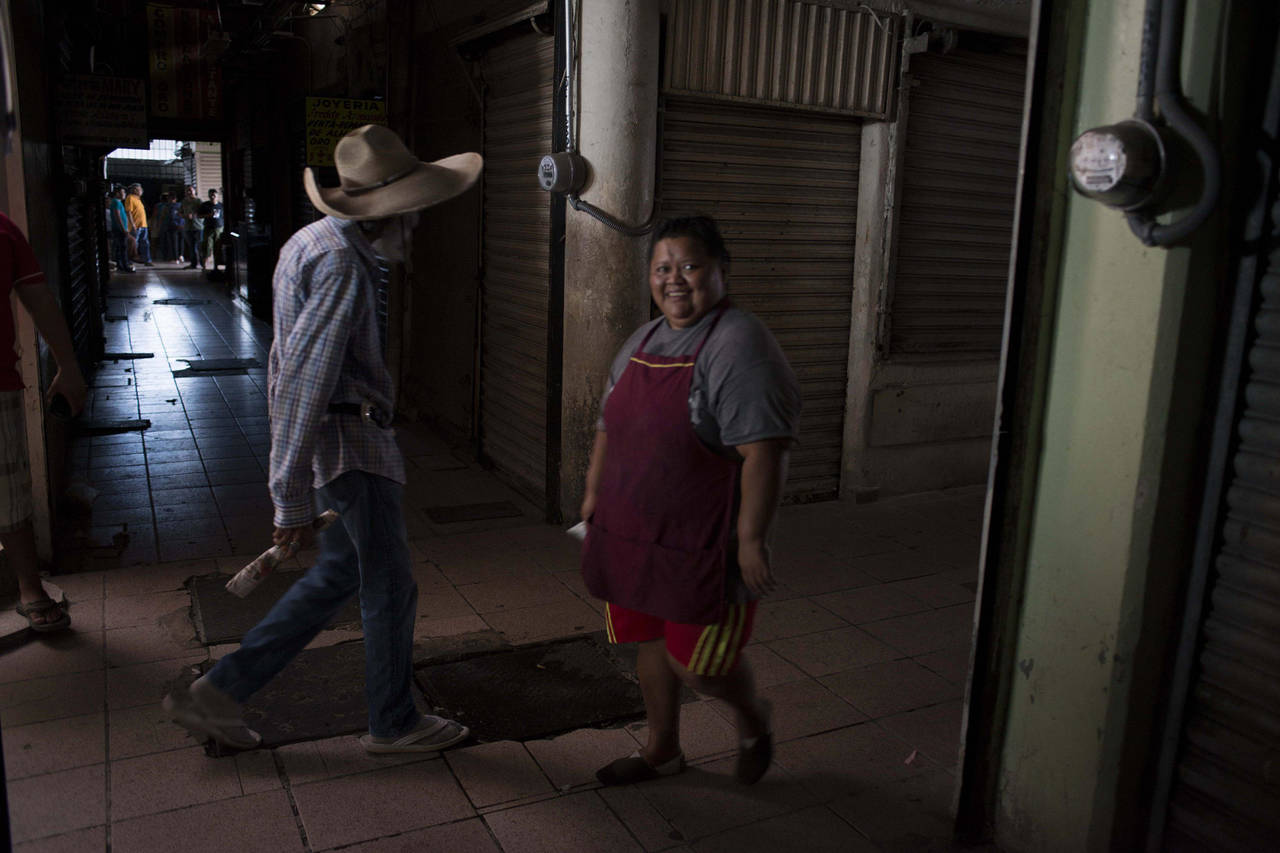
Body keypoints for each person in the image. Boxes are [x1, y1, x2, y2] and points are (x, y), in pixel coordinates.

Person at [164, 125, 483, 753]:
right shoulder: (342, 266)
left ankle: (219, 692)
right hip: (348, 447)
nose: (415, 227)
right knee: (387, 580)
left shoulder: (314, 240)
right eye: (411, 214)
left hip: (342, 442)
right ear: (385, 215)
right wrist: (289, 499)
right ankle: (392, 722)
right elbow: (302, 382)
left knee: (339, 576)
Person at [580, 215, 801, 787]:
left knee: (697, 663)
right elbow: (608, 426)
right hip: (634, 531)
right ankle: (662, 752)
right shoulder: (644, 338)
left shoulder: (740, 344)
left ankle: (754, 719)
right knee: (648, 643)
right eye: (662, 268)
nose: (674, 279)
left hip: (703, 542)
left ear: (721, 270)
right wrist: (592, 495)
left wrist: (751, 540)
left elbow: (764, 453)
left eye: (690, 266)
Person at [1, 212, 88, 631]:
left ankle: (29, 587)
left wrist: (67, 365)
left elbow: (38, 297)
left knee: (10, 494)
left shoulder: (3, 229)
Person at [124, 184, 153, 267]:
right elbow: (128, 212)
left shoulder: (138, 199)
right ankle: (128, 260)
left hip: (143, 225)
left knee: (145, 243)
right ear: (135, 190)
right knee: (133, 244)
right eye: (139, 189)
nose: (141, 191)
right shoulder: (130, 198)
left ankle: (147, 260)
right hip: (135, 226)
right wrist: (132, 224)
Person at [107, 186, 133, 273]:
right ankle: (124, 266)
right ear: (118, 193)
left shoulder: (118, 202)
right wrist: (123, 229)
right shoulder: (116, 202)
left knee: (121, 248)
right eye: (123, 192)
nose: (125, 194)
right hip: (119, 230)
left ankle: (121, 265)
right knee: (122, 248)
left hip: (120, 229)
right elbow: (118, 217)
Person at [198, 188, 223, 270]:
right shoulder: (205, 205)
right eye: (211, 195)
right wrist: (209, 215)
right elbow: (199, 215)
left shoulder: (221, 205)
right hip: (208, 228)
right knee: (207, 246)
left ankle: (216, 266)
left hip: (219, 228)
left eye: (214, 195)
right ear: (209, 195)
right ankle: (205, 265)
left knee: (218, 247)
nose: (213, 196)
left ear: (217, 196)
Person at [180, 184, 203, 269]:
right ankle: (193, 264)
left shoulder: (199, 201)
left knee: (200, 246)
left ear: (194, 190)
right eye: (187, 190)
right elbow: (180, 212)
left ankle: (203, 263)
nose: (189, 192)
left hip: (198, 226)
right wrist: (183, 215)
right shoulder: (184, 201)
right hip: (188, 227)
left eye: (190, 190)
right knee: (191, 247)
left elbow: (202, 213)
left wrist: (194, 215)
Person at [150, 192, 171, 261]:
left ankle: (155, 255)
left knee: (159, 241)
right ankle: (162, 255)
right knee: (161, 241)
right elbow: (155, 215)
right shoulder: (161, 205)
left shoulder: (162, 205)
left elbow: (154, 215)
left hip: (162, 224)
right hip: (162, 224)